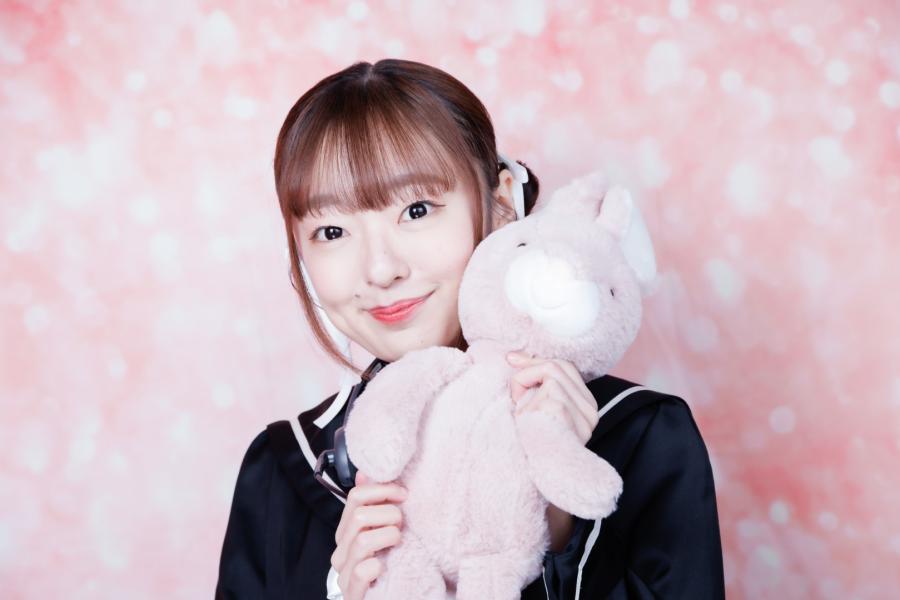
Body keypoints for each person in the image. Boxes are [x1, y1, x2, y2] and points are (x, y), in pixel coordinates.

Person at [215, 58, 725, 599]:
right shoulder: (282, 470)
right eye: (332, 231)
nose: (380, 270)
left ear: (501, 203)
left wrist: (556, 533)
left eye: (417, 210)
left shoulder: (643, 438)